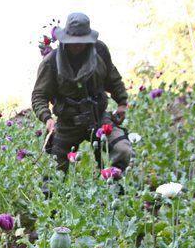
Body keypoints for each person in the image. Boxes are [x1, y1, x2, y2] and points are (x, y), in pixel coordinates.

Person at [32, 12, 132, 193]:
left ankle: (113, 193)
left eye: (81, 41)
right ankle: (52, 214)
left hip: (98, 118)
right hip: (68, 123)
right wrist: (47, 118)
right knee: (52, 180)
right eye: (72, 41)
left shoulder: (100, 51)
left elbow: (113, 78)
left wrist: (122, 103)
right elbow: (39, 95)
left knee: (123, 150)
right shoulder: (51, 63)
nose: (77, 45)